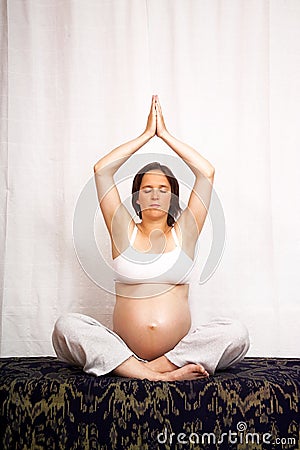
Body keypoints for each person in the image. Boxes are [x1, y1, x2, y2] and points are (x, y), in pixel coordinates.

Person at [52, 95, 250, 381]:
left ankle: (152, 368)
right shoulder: (123, 229)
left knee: (237, 334)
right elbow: (102, 171)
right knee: (66, 327)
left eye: (162, 188)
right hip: (123, 348)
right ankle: (152, 372)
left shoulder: (186, 232)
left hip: (179, 350)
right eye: (146, 189)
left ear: (172, 198)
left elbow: (206, 172)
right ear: (136, 198)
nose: (155, 194)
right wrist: (146, 136)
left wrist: (165, 136)